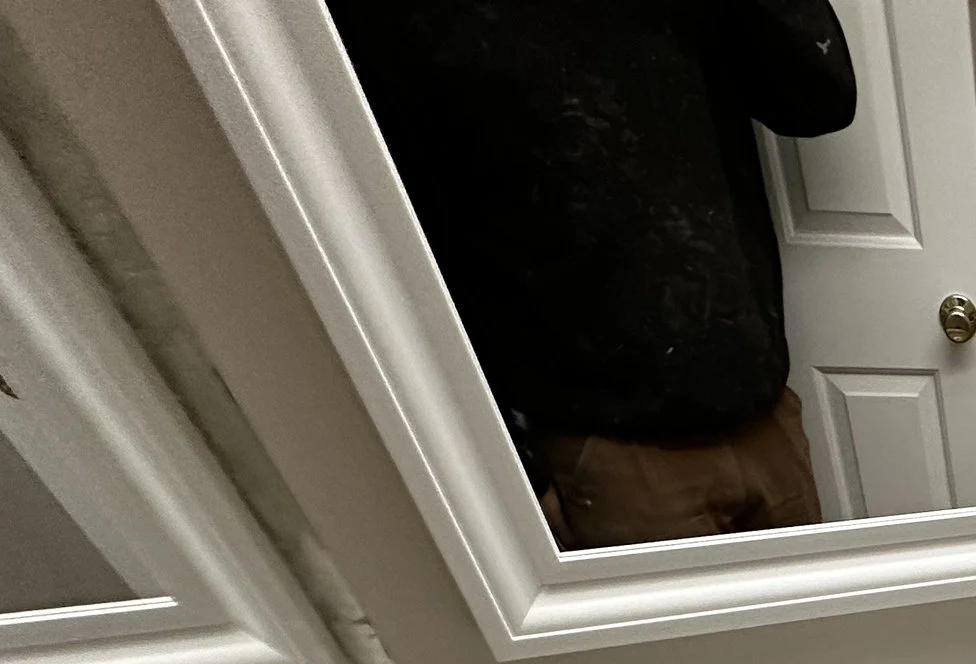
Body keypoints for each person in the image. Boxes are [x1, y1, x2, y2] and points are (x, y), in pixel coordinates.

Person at [324, 0, 855, 547]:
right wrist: (515, 468)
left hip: (763, 409)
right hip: (604, 447)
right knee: (668, 637)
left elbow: (821, 99)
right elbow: (397, 234)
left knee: (814, 632)